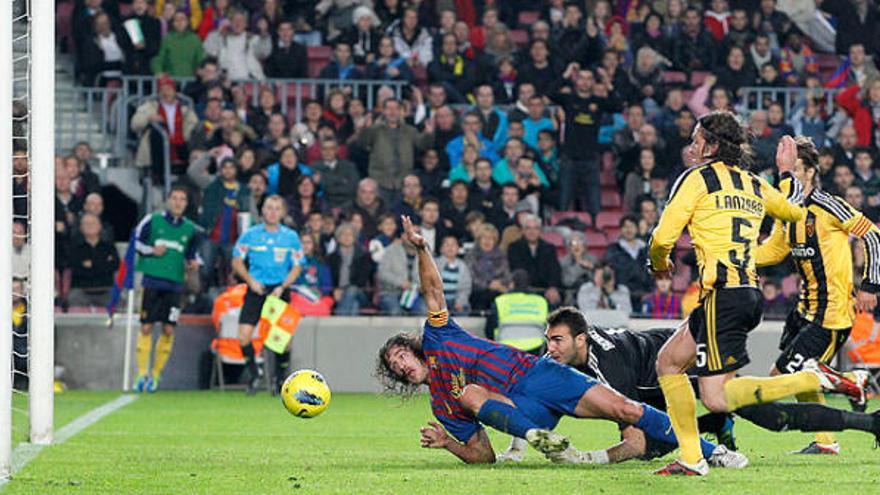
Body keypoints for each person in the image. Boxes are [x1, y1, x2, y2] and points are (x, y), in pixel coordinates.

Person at [376, 216, 747, 466]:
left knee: (627, 410)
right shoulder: (441, 405)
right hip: (521, 411)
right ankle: (538, 437)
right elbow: (482, 454)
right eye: (396, 367)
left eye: (401, 355)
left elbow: (433, 290)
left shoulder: (439, 337)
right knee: (470, 394)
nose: (402, 365)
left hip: (538, 375)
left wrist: (423, 249)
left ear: (415, 349)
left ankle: (713, 454)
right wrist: (449, 445)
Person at [649, 113, 865, 476]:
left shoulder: (697, 180)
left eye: (697, 139)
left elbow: (662, 238)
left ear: (712, 146)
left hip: (724, 294)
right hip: (743, 293)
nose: (691, 146)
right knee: (669, 362)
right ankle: (691, 458)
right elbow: (793, 211)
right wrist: (784, 175)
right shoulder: (753, 182)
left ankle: (817, 379)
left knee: (716, 397)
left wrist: (658, 262)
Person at [499, 307, 880, 463]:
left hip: (687, 367)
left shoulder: (608, 361)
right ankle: (716, 429)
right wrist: (517, 448)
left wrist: (588, 458)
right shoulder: (565, 353)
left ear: (581, 339)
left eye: (558, 341)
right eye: (549, 340)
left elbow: (637, 441)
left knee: (767, 416)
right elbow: (539, 394)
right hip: (666, 378)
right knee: (667, 436)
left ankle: (818, 379)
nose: (550, 348)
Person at [755, 136, 880, 454]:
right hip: (804, 309)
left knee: (780, 376)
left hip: (832, 312)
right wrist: (737, 256)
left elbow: (874, 237)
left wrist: (870, 285)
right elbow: (774, 249)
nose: (791, 178)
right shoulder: (789, 212)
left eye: (795, 170)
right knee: (802, 376)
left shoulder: (830, 205)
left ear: (810, 171)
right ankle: (826, 441)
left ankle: (852, 379)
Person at [232, 195, 303, 395]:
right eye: (268, 208)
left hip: (279, 290)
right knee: (244, 336)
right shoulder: (250, 234)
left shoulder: (290, 237)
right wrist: (250, 281)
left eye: (276, 208)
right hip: (256, 289)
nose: (272, 212)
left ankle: (280, 379)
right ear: (262, 210)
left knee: (283, 341)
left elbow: (297, 266)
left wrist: (283, 286)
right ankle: (255, 374)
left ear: (282, 212)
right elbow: (237, 260)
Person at [133, 186, 201, 393]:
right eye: (175, 198)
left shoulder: (191, 229)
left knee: (168, 329)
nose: (178, 202)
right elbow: (135, 242)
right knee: (146, 327)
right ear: (168, 200)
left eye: (182, 199)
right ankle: (141, 374)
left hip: (175, 284)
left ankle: (155, 375)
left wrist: (193, 263)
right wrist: (152, 250)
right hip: (152, 282)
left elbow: (192, 254)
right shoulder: (152, 220)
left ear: (186, 204)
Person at [485, 269, 547, 354]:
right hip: (535, 350)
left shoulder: (500, 301)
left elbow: (489, 329)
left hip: (507, 351)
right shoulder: (541, 301)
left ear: (512, 284)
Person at [506, 214, 562, 306]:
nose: (532, 232)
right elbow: (517, 270)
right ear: (523, 230)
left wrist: (553, 287)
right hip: (524, 289)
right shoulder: (514, 248)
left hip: (545, 289)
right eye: (528, 228)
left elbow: (554, 270)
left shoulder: (549, 248)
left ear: (540, 231)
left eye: (536, 228)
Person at [67, 214, 120, 308]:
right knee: (73, 299)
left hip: (106, 289)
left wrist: (92, 264)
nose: (90, 226)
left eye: (93, 223)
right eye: (86, 224)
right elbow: (77, 270)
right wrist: (103, 263)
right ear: (81, 228)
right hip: (81, 290)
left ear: (100, 226)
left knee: (119, 302)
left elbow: (115, 266)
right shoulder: (74, 247)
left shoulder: (109, 247)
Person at [327, 222, 374, 315]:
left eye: (350, 234)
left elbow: (362, 281)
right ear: (338, 238)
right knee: (354, 306)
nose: (346, 237)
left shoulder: (363, 256)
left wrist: (343, 290)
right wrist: (334, 290)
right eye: (343, 234)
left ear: (354, 237)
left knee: (352, 290)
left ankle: (339, 319)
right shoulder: (331, 258)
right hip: (338, 293)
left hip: (360, 292)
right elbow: (329, 279)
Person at [435, 236, 471, 315]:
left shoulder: (463, 266)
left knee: (465, 309)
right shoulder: (435, 264)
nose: (450, 247)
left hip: (455, 299)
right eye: (447, 245)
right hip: (439, 300)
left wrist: (460, 302)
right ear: (441, 249)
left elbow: (466, 288)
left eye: (453, 245)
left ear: (458, 249)